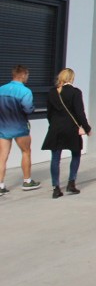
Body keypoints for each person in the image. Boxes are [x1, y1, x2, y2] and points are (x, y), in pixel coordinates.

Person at [42, 68, 91, 198]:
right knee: (75, 154)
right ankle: (71, 183)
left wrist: (53, 124)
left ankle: (56, 187)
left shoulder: (52, 92)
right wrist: (86, 127)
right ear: (71, 78)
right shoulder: (75, 92)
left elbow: (49, 113)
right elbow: (80, 113)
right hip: (71, 129)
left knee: (55, 158)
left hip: (55, 128)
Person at [0, 65, 39, 194]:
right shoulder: (25, 91)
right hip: (19, 127)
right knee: (26, 152)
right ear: (22, 75)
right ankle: (27, 181)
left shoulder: (1, 89)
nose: (27, 78)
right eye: (27, 75)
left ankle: (0, 186)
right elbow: (28, 109)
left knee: (2, 157)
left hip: (3, 127)